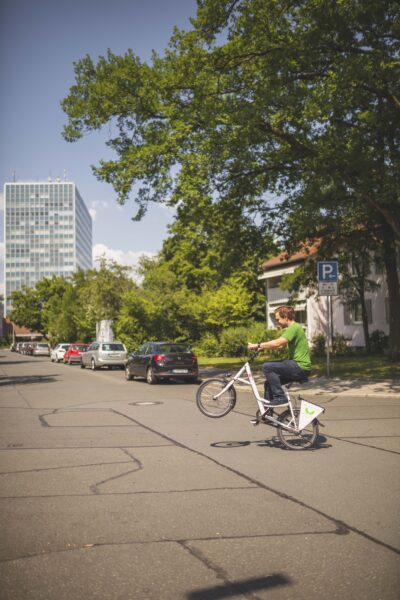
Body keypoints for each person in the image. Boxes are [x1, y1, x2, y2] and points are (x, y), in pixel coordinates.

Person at [247, 305, 312, 406]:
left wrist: (257, 345)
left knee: (267, 367)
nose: (277, 322)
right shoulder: (293, 328)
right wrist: (262, 347)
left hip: (300, 366)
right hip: (297, 366)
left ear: (285, 317)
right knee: (268, 384)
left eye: (278, 319)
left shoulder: (294, 328)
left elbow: (278, 343)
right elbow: (280, 346)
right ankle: (267, 414)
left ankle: (280, 397)